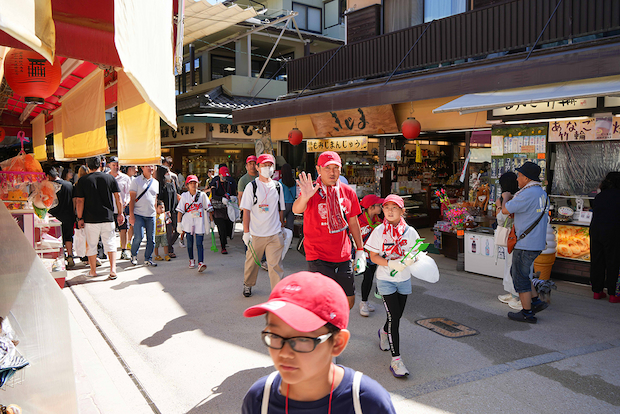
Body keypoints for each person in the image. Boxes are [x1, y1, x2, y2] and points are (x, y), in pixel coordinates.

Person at [242, 272, 397, 413]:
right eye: (275, 336)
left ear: (337, 343)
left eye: (301, 339)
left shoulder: (367, 403)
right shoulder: (260, 399)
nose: (284, 353)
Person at [292, 151, 365, 310]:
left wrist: (360, 249)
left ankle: (333, 328)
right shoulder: (311, 191)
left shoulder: (348, 192)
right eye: (327, 168)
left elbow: (353, 222)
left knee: (348, 301)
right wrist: (304, 197)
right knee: (323, 301)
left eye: (336, 168)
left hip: (343, 254)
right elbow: (297, 209)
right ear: (318, 169)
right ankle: (327, 331)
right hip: (318, 255)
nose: (332, 172)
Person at [364, 194, 421, 377]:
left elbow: (418, 251)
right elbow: (373, 256)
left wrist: (413, 259)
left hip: (404, 279)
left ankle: (383, 331)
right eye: (386, 207)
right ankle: (396, 361)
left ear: (402, 211)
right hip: (385, 280)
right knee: (395, 317)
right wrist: (390, 264)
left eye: (394, 207)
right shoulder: (379, 231)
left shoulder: (410, 232)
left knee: (396, 315)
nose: (389, 210)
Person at [501, 161, 550, 323]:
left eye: (520, 176)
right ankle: (535, 301)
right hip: (535, 241)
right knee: (520, 273)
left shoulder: (527, 193)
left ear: (527, 178)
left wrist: (506, 197)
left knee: (520, 277)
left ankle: (527, 313)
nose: (517, 179)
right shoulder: (541, 193)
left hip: (525, 242)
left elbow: (505, 210)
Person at [240, 154, 286, 297]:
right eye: (264, 165)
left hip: (274, 234)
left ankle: (277, 293)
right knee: (252, 264)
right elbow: (246, 211)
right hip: (256, 234)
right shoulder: (251, 186)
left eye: (270, 165)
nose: (268, 168)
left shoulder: (278, 186)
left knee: (275, 266)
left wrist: (282, 228)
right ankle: (248, 284)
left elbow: (281, 209)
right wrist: (246, 232)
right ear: (258, 167)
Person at [74, 156, 124, 280]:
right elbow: (118, 197)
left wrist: (79, 217)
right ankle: (113, 270)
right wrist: (120, 213)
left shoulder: (83, 180)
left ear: (87, 164)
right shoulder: (109, 178)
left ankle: (93, 271)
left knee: (91, 245)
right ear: (101, 164)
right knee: (111, 242)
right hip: (108, 217)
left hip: (90, 218)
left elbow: (80, 201)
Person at [589, 171, 620, 303]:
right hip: (614, 232)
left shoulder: (599, 196)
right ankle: (613, 294)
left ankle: (597, 291)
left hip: (596, 231)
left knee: (597, 261)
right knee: (613, 262)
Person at [176, 175, 214, 272]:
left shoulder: (202, 195)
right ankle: (191, 259)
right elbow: (180, 211)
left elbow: (208, 209)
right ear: (187, 185)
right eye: (191, 183)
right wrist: (179, 223)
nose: (193, 185)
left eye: (195, 183)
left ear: (198, 184)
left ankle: (200, 262)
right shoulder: (184, 196)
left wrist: (212, 221)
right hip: (188, 222)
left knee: (199, 243)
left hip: (199, 222)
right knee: (189, 243)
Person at [495, 172, 522, 310]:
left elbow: (502, 218)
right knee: (510, 264)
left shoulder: (511, 198)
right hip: (514, 237)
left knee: (513, 266)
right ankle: (512, 293)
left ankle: (518, 296)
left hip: (515, 237)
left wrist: (500, 205)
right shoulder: (518, 195)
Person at [357, 194, 384, 317]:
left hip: (375, 255)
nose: (381, 207)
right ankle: (363, 302)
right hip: (364, 255)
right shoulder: (360, 221)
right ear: (371, 207)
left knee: (371, 276)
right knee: (367, 278)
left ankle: (366, 301)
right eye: (379, 205)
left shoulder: (378, 220)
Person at [129, 165, 159, 267]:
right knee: (139, 237)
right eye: (148, 166)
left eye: (152, 166)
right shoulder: (136, 181)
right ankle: (133, 255)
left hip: (151, 214)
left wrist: (156, 212)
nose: (151, 168)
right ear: (142, 168)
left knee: (152, 239)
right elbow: (132, 199)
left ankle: (148, 258)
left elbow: (155, 198)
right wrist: (131, 215)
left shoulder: (155, 182)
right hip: (138, 214)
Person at [46, 166, 76, 268]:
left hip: (54, 217)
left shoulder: (49, 187)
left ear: (48, 176)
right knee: (68, 237)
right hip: (68, 216)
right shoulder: (69, 185)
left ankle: (60, 259)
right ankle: (70, 256)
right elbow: (74, 201)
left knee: (57, 239)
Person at [108, 156, 132, 260]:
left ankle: (124, 250)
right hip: (109, 208)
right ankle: (109, 251)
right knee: (109, 231)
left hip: (122, 208)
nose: (116, 167)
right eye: (113, 165)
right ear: (109, 165)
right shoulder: (106, 177)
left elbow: (129, 193)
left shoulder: (125, 178)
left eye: (117, 165)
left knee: (124, 229)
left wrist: (126, 201)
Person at [210, 165, 237, 254]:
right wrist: (221, 199)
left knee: (228, 227)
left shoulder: (230, 182)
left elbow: (234, 192)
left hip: (228, 209)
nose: (225, 178)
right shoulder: (215, 182)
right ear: (220, 175)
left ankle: (226, 239)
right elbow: (213, 195)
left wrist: (233, 197)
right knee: (221, 228)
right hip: (218, 209)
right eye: (223, 176)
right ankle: (223, 247)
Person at [158, 157, 180, 258]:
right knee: (169, 229)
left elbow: (177, 193)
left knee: (179, 229)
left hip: (175, 209)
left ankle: (168, 244)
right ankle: (170, 249)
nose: (168, 174)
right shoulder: (159, 184)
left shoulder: (172, 181)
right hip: (166, 211)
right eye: (166, 172)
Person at [279, 163, 297, 232]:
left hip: (283, 205)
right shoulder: (294, 182)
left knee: (280, 223)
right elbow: (295, 194)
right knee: (290, 225)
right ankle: (290, 239)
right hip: (292, 205)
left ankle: (281, 238)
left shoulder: (280, 182)